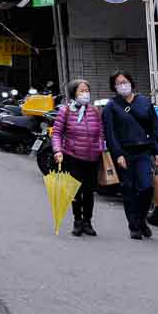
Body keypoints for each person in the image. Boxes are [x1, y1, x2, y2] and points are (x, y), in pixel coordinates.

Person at [102, 71, 158, 241]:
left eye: (125, 81)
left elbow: (154, 127)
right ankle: (133, 225)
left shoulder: (144, 102)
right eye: (118, 83)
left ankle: (141, 219)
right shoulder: (111, 106)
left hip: (143, 151)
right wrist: (118, 154)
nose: (123, 85)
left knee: (146, 187)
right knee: (128, 189)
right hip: (124, 153)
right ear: (114, 87)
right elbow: (110, 134)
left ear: (131, 82)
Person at [49, 79, 104, 237]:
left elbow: (101, 133)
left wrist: (100, 147)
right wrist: (58, 150)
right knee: (75, 191)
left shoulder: (94, 111)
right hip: (73, 156)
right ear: (74, 93)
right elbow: (57, 134)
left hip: (92, 158)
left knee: (89, 191)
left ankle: (88, 221)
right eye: (82, 91)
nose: (85, 94)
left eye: (87, 90)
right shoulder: (66, 111)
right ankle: (77, 221)